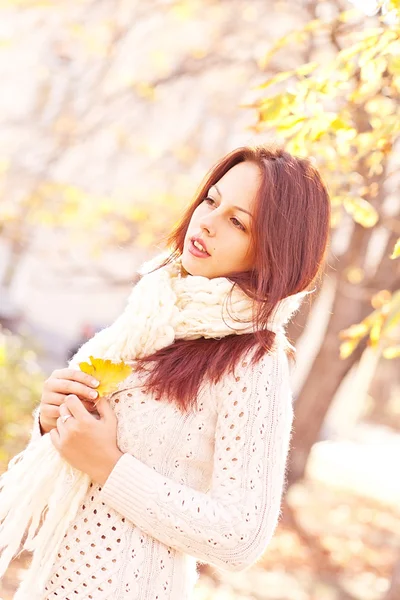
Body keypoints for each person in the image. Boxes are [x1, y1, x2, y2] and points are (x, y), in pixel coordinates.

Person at [10, 145, 330, 599]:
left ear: (274, 251)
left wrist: (109, 465)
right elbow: (75, 463)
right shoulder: (155, 311)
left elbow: (241, 537)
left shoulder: (254, 362)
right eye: (212, 200)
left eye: (237, 222)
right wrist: (51, 422)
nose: (207, 223)